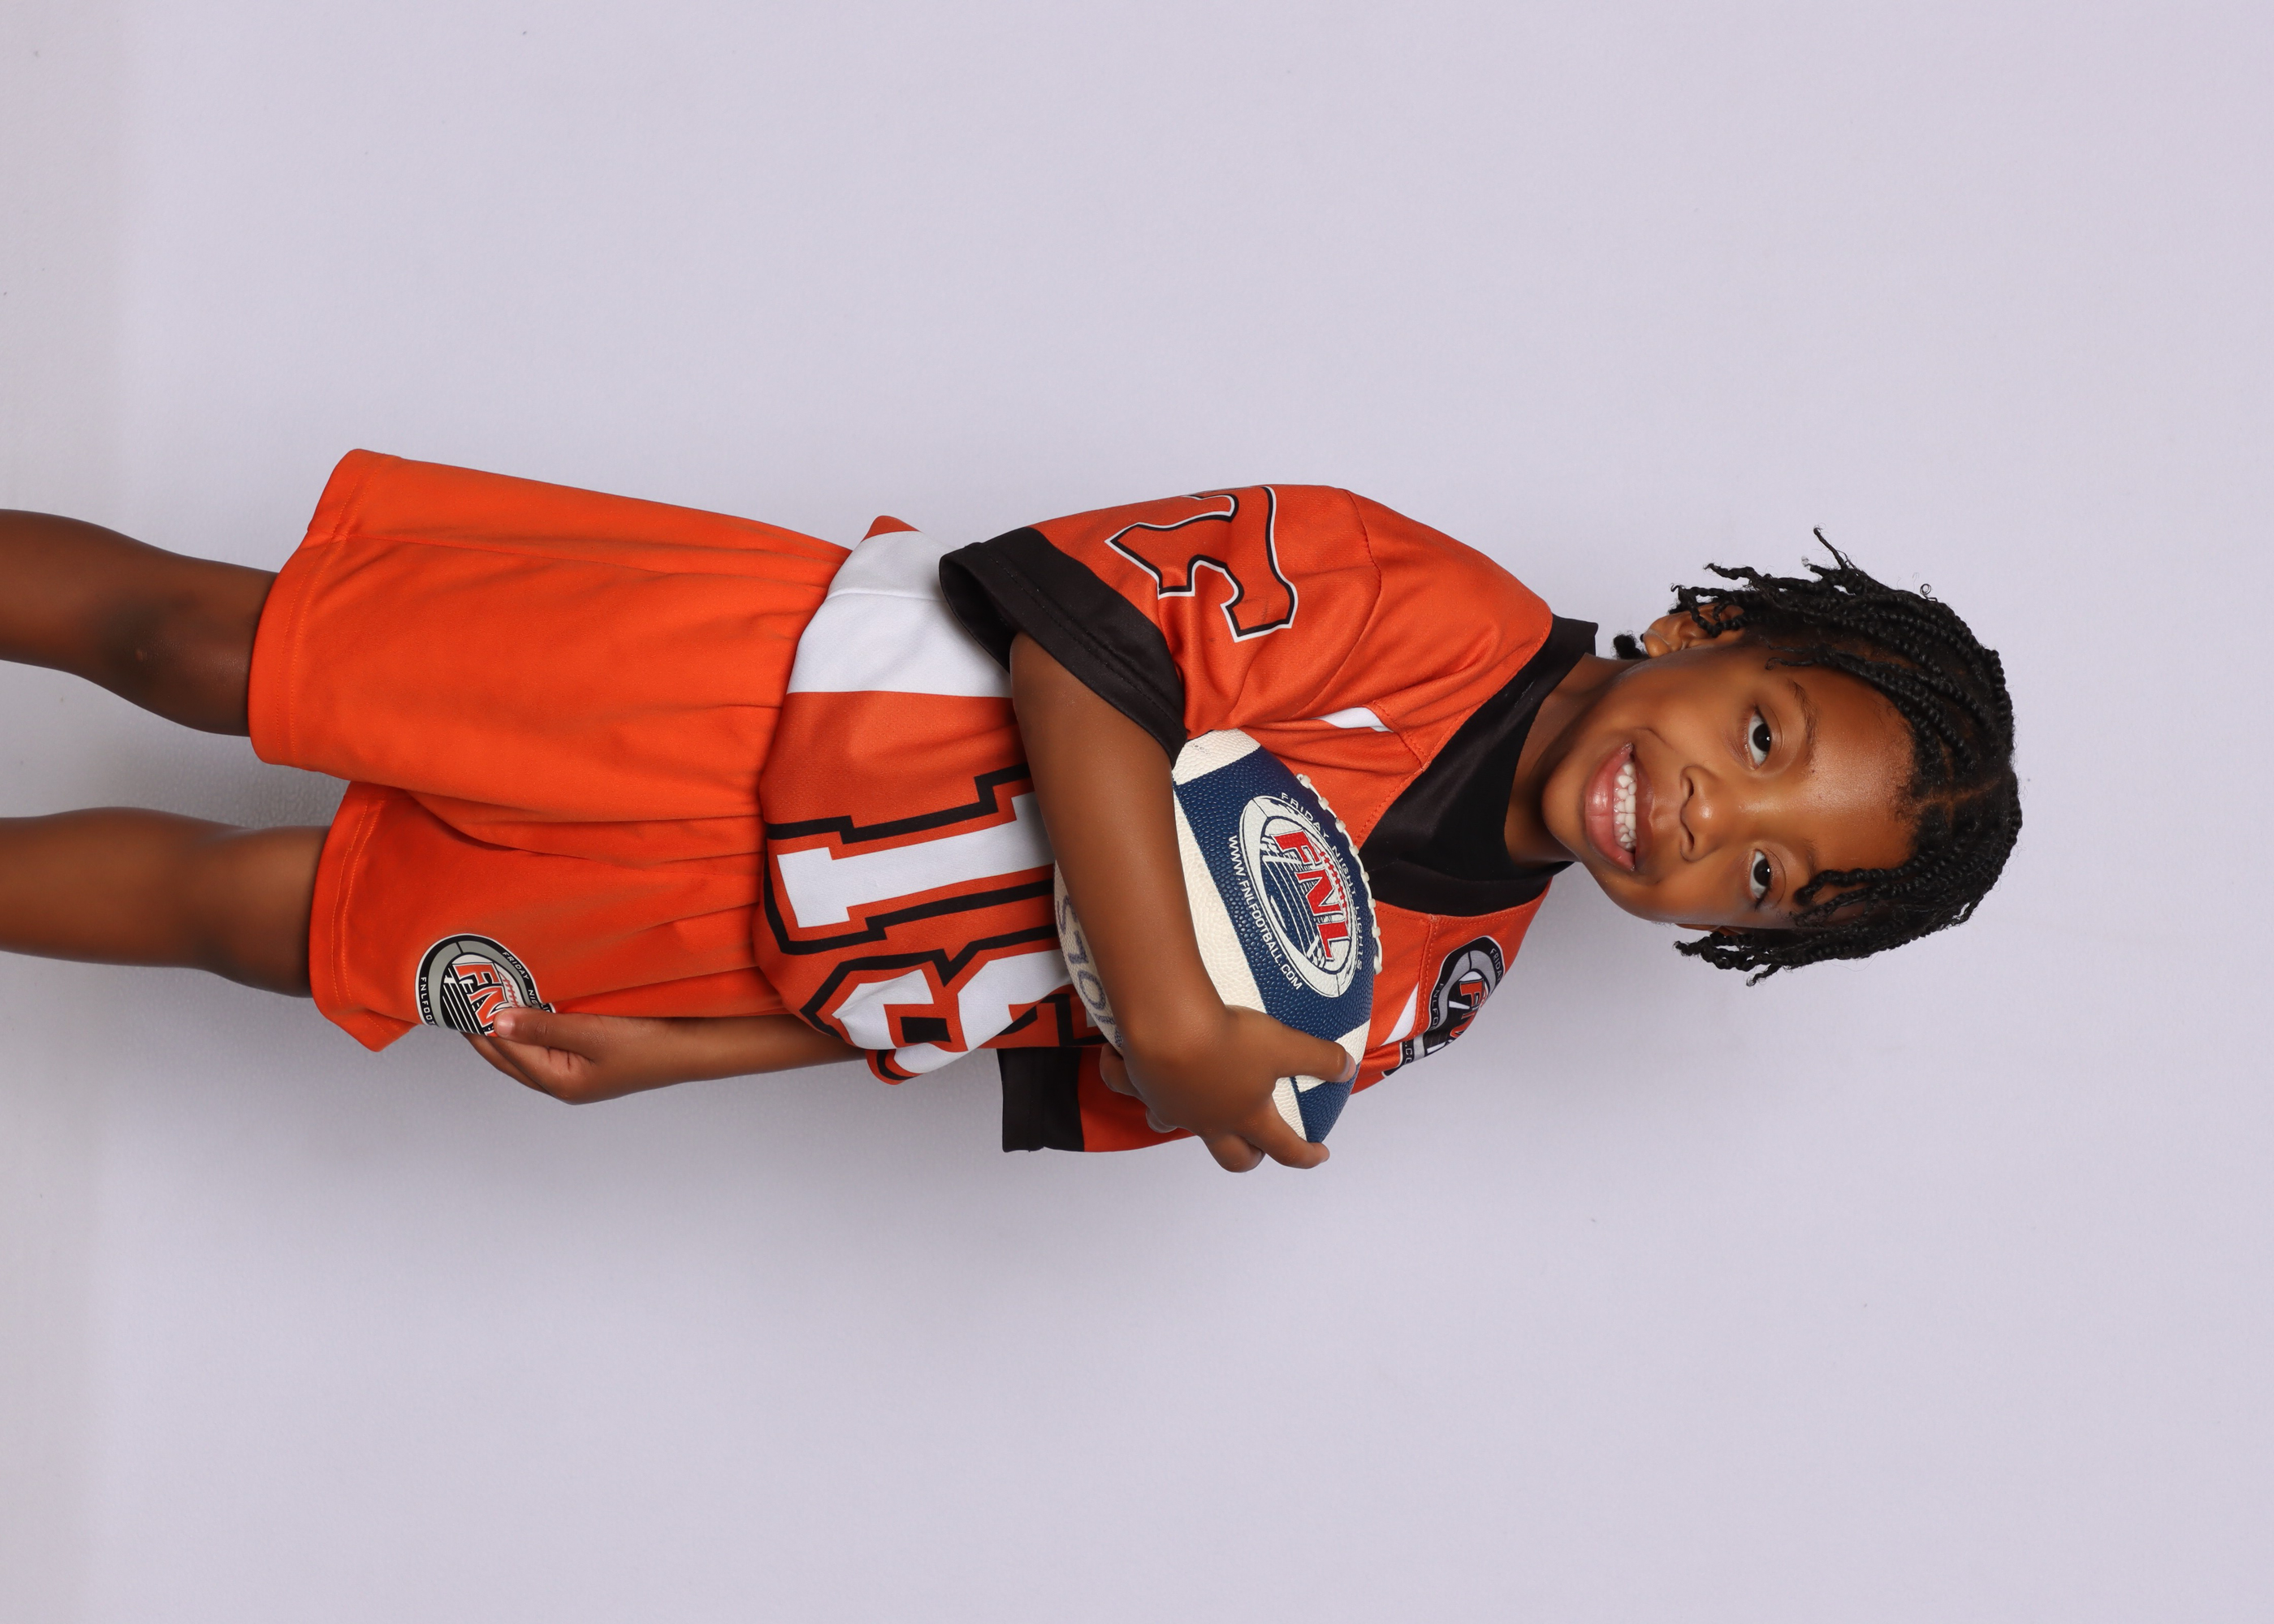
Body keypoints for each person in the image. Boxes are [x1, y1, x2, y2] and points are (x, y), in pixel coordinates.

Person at [0, 451, 2019, 1170]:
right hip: (738, 689)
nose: (1702, 815)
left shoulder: (1422, 991)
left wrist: (691, 1052)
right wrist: (1191, 1018)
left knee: (265, 920)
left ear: (1731, 934)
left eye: (1767, 872)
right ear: (1706, 628)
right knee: (206, 641)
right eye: (1761, 733)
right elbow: (1079, 665)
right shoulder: (1414, 601)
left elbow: (1039, 1017)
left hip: (769, 935)